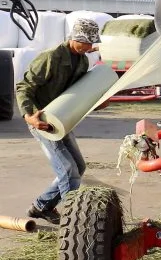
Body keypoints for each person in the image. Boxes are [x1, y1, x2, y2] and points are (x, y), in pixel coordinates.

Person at [16, 18, 101, 224]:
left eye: (92, 43)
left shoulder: (81, 60)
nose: (90, 47)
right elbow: (24, 87)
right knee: (67, 169)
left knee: (78, 167)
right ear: (75, 38)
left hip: (62, 120)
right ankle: (74, 220)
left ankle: (41, 206)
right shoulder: (51, 57)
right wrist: (29, 116)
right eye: (87, 43)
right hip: (43, 121)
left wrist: (97, 102)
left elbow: (76, 92)